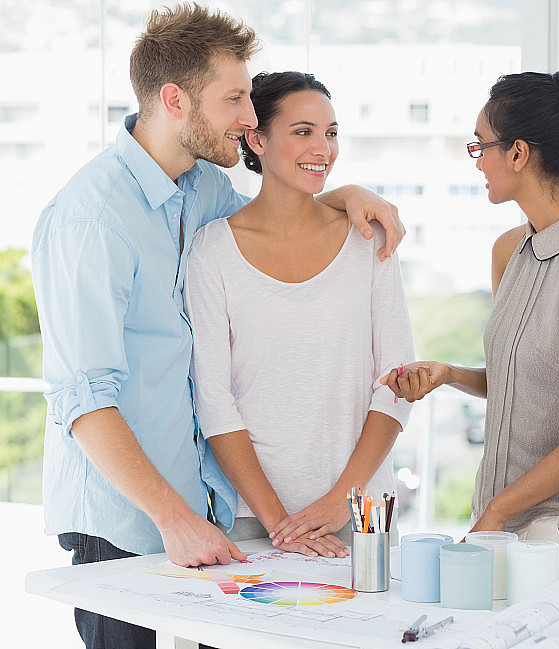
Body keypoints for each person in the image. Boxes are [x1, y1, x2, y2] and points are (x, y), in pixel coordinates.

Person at [31, 5, 403, 648]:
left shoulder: (202, 188)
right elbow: (83, 398)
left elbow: (278, 217)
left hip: (202, 514)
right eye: (234, 99)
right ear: (174, 99)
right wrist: (171, 517)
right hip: (125, 523)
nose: (250, 118)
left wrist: (348, 195)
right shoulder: (90, 220)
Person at [383, 70, 559, 575]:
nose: (477, 160)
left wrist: (497, 512)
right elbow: (524, 382)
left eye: (481, 146)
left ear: (518, 153)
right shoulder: (509, 251)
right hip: (505, 520)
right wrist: (450, 374)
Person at [184, 71, 414, 558]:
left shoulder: (368, 239)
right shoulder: (212, 250)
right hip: (255, 518)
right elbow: (213, 399)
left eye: (331, 133)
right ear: (257, 139)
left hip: (362, 512)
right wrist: (280, 524)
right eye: (303, 131)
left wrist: (340, 500)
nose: (323, 149)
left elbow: (396, 382)